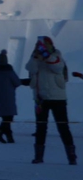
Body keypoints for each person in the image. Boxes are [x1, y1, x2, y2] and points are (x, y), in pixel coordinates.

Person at [26, 36, 76, 165]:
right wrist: (35, 57)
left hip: (57, 98)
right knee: (40, 128)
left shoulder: (57, 56)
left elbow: (57, 67)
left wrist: (47, 56)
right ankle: (38, 156)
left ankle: (71, 156)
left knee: (63, 127)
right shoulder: (35, 57)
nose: (42, 47)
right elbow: (30, 69)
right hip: (40, 99)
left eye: (45, 45)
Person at [0, 49, 22, 144]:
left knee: (6, 118)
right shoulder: (9, 71)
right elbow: (17, 82)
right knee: (8, 118)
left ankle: (9, 137)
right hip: (9, 97)